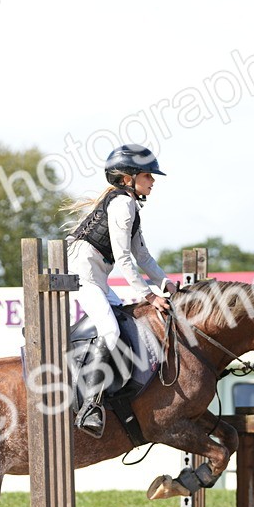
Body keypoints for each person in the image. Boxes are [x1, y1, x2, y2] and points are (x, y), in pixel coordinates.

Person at [65, 143, 178, 437]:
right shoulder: (121, 205)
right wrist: (149, 295)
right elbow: (124, 257)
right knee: (112, 332)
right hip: (82, 278)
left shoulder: (131, 206)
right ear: (128, 177)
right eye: (148, 175)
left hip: (98, 279)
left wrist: (166, 283)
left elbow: (143, 256)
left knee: (128, 325)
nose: (153, 181)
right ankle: (89, 405)